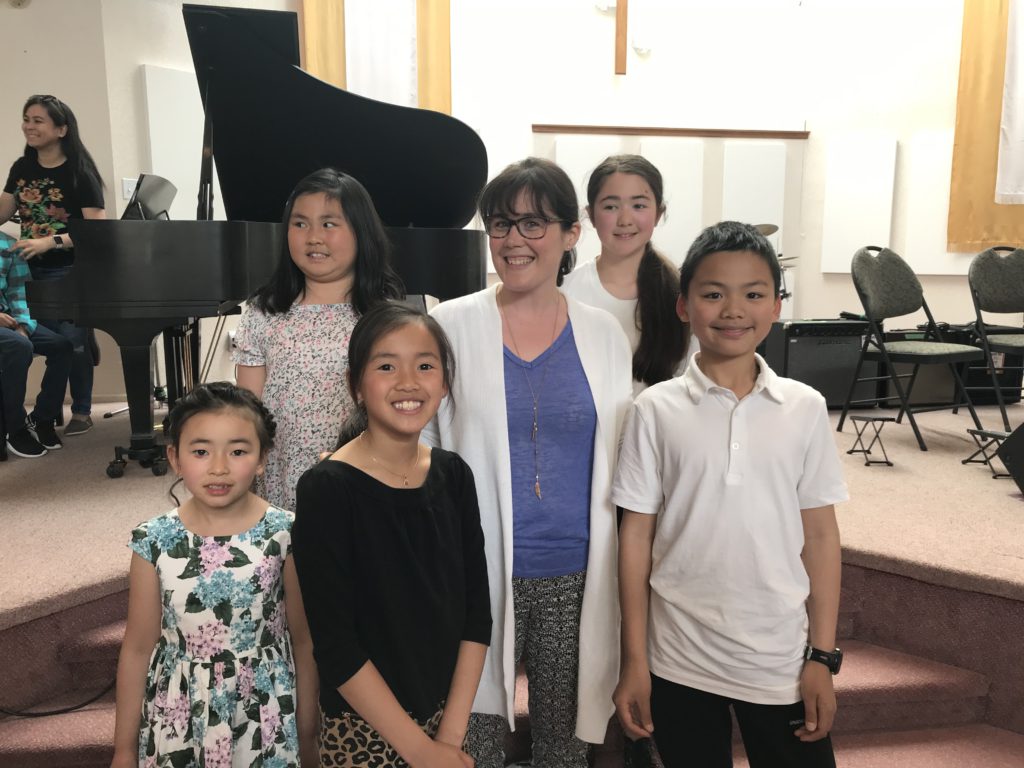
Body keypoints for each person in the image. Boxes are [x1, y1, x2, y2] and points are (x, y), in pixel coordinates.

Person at [612, 221, 847, 767]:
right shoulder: (654, 410)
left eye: (754, 294)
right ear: (684, 306)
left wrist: (822, 656)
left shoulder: (805, 407)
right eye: (714, 294)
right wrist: (634, 660)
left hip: (779, 657)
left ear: (777, 306)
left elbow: (820, 535)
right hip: (678, 658)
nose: (734, 310)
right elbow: (635, 538)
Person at [424, 157, 633, 768]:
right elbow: (425, 445)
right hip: (476, 569)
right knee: (473, 741)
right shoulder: (448, 324)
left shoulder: (603, 333)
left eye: (534, 223)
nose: (514, 240)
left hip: (574, 571)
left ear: (571, 234)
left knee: (563, 747)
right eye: (501, 224)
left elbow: (620, 452)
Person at [291, 301, 491, 767]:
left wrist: (448, 739)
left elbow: (476, 613)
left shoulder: (453, 474)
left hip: (448, 719)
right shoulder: (327, 488)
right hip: (364, 728)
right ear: (356, 385)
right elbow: (336, 646)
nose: (408, 382)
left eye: (425, 366)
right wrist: (421, 751)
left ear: (444, 382)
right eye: (386, 366)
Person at [110, 382, 318, 768]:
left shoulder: (284, 532)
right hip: (178, 715)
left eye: (237, 451)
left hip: (264, 712)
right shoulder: (153, 540)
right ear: (174, 457)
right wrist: (123, 750)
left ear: (262, 458)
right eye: (201, 451)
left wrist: (307, 733)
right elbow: (137, 648)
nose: (218, 467)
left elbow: (303, 641)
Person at [233, 167, 404, 512]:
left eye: (329, 224)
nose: (313, 237)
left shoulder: (384, 315)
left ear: (361, 232)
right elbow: (248, 409)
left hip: (358, 469)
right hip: (281, 470)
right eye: (300, 224)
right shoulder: (263, 311)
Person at [0, 94, 106, 439]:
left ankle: (82, 411)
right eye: (26, 119)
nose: (28, 126)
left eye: (38, 120)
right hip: (28, 273)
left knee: (72, 343)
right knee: (46, 343)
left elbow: (95, 230)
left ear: (61, 129)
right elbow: (3, 211)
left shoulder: (80, 174)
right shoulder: (21, 168)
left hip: (69, 270)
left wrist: (50, 242)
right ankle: (46, 414)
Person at [562, 154, 689, 396]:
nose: (625, 220)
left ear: (658, 213)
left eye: (639, 205)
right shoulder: (565, 292)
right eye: (610, 207)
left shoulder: (680, 296)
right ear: (590, 215)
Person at [0, 231, 72, 457]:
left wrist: (23, 327)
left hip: (9, 320)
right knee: (19, 347)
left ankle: (42, 418)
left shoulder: (8, 245)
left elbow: (19, 292)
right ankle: (15, 429)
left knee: (62, 346)